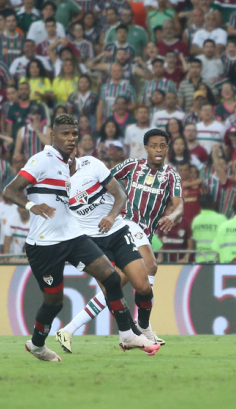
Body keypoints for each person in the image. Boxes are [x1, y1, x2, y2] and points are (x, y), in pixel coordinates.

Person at [1, 113, 159, 362]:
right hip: (44, 245)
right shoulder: (42, 160)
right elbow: (10, 190)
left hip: (73, 237)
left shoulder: (69, 164)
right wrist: (33, 207)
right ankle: (37, 345)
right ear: (52, 135)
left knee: (111, 277)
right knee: (53, 303)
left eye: (74, 134)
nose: (71, 138)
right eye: (65, 133)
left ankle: (127, 334)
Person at [62, 128, 183, 346]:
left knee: (115, 285)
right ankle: (143, 326)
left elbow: (178, 204)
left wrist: (172, 215)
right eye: (153, 145)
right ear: (146, 148)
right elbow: (104, 181)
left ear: (167, 148)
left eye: (162, 145)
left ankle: (70, 329)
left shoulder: (171, 176)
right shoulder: (132, 165)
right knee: (151, 265)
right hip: (125, 224)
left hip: (144, 233)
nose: (158, 149)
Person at [54, 148, 158, 353]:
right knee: (112, 289)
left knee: (143, 285)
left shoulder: (92, 164)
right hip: (91, 243)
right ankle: (130, 335)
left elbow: (120, 194)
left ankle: (142, 327)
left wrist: (111, 216)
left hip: (118, 231)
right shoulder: (57, 184)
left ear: (75, 151)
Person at [190, 193, 227, 262]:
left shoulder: (196, 220)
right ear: (213, 203)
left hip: (200, 259)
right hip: (217, 259)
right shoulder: (222, 219)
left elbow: (193, 239)